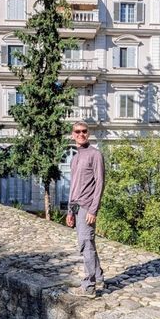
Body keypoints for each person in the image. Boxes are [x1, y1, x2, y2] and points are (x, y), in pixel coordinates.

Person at [66, 122, 105, 298]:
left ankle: (89, 286)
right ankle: (98, 276)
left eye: (84, 131)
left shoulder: (95, 155)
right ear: (72, 135)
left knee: (86, 244)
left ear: (88, 134)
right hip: (77, 208)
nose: (81, 134)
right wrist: (69, 211)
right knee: (88, 243)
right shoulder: (75, 158)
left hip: (87, 207)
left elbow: (100, 184)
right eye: (77, 132)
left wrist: (93, 210)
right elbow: (73, 186)